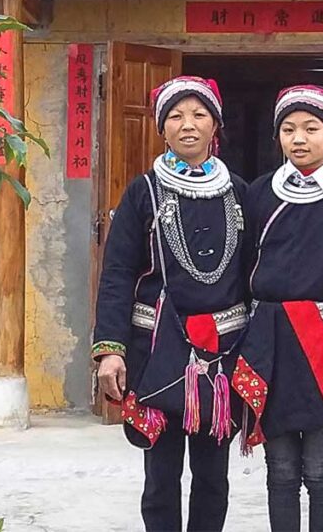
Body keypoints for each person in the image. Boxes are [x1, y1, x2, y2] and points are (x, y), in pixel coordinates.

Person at [91, 76, 248, 532]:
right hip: (156, 352)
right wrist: (111, 351)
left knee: (213, 477)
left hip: (221, 354)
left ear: (215, 124)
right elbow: (117, 273)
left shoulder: (239, 192)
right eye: (176, 116)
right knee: (160, 477)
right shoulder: (143, 192)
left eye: (199, 114)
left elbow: (255, 274)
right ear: (162, 128)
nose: (188, 125)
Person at [230, 84, 323, 532]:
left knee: (319, 469)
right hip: (271, 344)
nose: (299, 138)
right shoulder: (259, 193)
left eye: (311, 128)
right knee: (279, 470)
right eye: (289, 129)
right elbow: (241, 267)